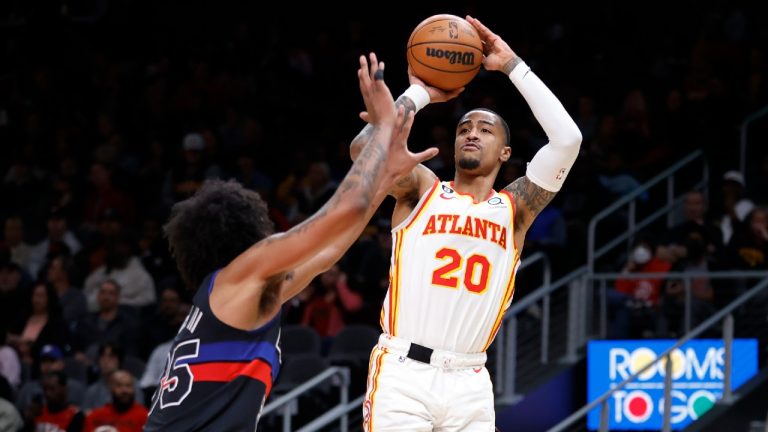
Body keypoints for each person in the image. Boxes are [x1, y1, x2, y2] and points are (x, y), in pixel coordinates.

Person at [144, 53, 438, 431]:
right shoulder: (244, 271)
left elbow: (327, 252)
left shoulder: (238, 296)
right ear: (248, 232)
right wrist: (383, 126)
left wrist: (384, 183)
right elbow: (347, 208)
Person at [352, 16, 582, 430]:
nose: (472, 133)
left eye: (485, 129)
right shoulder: (421, 189)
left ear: (506, 152)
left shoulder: (515, 209)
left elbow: (568, 140)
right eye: (463, 128)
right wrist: (419, 92)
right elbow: (363, 152)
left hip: (471, 381)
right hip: (404, 372)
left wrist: (512, 64)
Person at [84, 370, 148, 432]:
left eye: (128, 386)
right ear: (111, 388)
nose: (124, 390)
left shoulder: (144, 416)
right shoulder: (95, 416)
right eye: (119, 385)